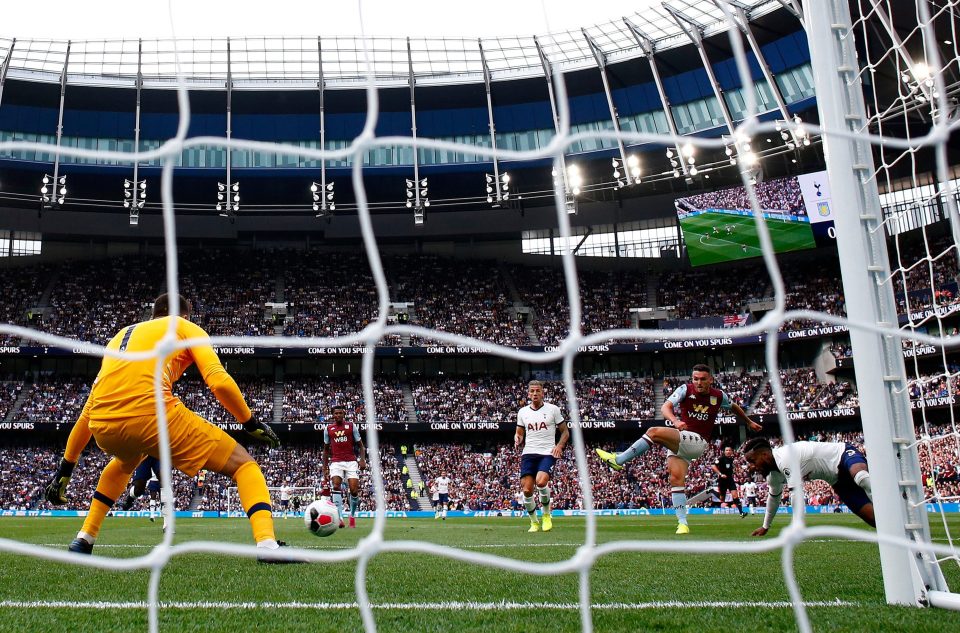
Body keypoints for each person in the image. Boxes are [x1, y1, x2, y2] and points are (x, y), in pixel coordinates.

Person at [43, 293, 286, 560]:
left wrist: (65, 470)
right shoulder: (185, 327)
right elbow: (219, 381)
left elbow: (85, 415)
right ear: (184, 315)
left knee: (126, 461)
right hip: (151, 413)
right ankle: (267, 545)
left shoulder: (119, 336)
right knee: (244, 465)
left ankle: (84, 538)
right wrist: (249, 423)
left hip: (104, 424)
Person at [596, 364, 762, 534]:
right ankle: (682, 523)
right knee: (676, 480)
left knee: (653, 432)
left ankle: (618, 460)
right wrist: (675, 421)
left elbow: (733, 406)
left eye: (703, 379)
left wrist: (748, 421)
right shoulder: (685, 389)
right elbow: (665, 407)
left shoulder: (719, 396)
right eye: (695, 379)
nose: (699, 382)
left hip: (698, 442)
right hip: (682, 440)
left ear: (711, 380)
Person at [741, 437, 874, 535]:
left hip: (843, 454)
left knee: (861, 477)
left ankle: (889, 499)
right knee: (873, 520)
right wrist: (765, 526)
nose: (751, 467)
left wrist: (796, 525)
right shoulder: (773, 476)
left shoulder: (785, 458)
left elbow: (796, 493)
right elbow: (774, 499)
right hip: (837, 481)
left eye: (752, 461)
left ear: (765, 455)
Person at [515, 380, 569, 533]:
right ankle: (534, 522)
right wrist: (517, 438)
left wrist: (559, 446)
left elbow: (565, 432)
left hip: (547, 452)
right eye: (532, 391)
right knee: (526, 490)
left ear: (542, 393)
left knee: (541, 481)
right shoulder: (522, 412)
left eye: (537, 391)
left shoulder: (553, 410)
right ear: (528, 394)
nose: (535, 393)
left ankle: (546, 515)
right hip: (528, 453)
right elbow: (519, 433)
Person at [321, 405, 367, 529]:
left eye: (340, 413)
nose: (338, 415)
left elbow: (361, 446)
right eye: (336, 413)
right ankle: (340, 518)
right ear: (333, 415)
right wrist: (324, 467)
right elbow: (325, 450)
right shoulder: (328, 429)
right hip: (336, 461)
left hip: (351, 461)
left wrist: (362, 460)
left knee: (353, 490)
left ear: (344, 414)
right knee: (336, 486)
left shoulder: (351, 427)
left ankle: (351, 515)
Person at [712, 446, 747, 517]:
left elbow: (731, 468)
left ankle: (741, 512)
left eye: (729, 450)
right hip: (722, 480)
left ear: (731, 452)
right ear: (724, 452)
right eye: (726, 450)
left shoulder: (731, 459)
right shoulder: (721, 459)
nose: (728, 451)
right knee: (722, 498)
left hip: (730, 480)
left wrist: (737, 470)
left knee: (735, 496)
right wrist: (720, 474)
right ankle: (711, 491)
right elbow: (713, 466)